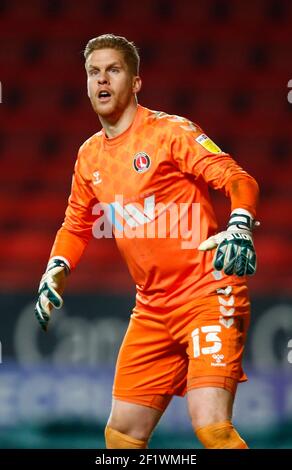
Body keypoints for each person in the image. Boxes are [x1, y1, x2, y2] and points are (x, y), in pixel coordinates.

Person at [35, 34, 259, 449]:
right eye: (93, 72)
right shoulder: (89, 156)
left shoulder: (170, 133)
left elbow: (238, 178)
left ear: (135, 82)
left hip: (208, 292)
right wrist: (56, 269)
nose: (102, 79)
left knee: (212, 427)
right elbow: (76, 226)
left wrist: (240, 224)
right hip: (152, 307)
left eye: (113, 70)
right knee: (121, 435)